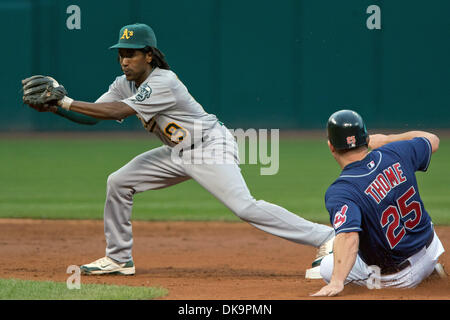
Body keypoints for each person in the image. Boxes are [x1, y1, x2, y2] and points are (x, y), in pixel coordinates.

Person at [21, 23, 334, 277]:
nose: (124, 60)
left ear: (149, 56)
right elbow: (92, 116)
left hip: (210, 147)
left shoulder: (163, 81)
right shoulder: (123, 84)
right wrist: (56, 109)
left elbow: (116, 111)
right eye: (120, 55)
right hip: (177, 153)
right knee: (119, 181)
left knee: (245, 207)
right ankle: (118, 259)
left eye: (130, 54)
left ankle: (325, 237)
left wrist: (63, 100)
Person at [312, 109, 446, 297]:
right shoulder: (396, 151)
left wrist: (336, 282)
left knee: (327, 265)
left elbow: (349, 237)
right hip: (431, 249)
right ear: (366, 139)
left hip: (401, 278)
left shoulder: (342, 190)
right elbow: (433, 140)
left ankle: (396, 284)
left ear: (331, 146)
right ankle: (429, 269)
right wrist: (386, 140)